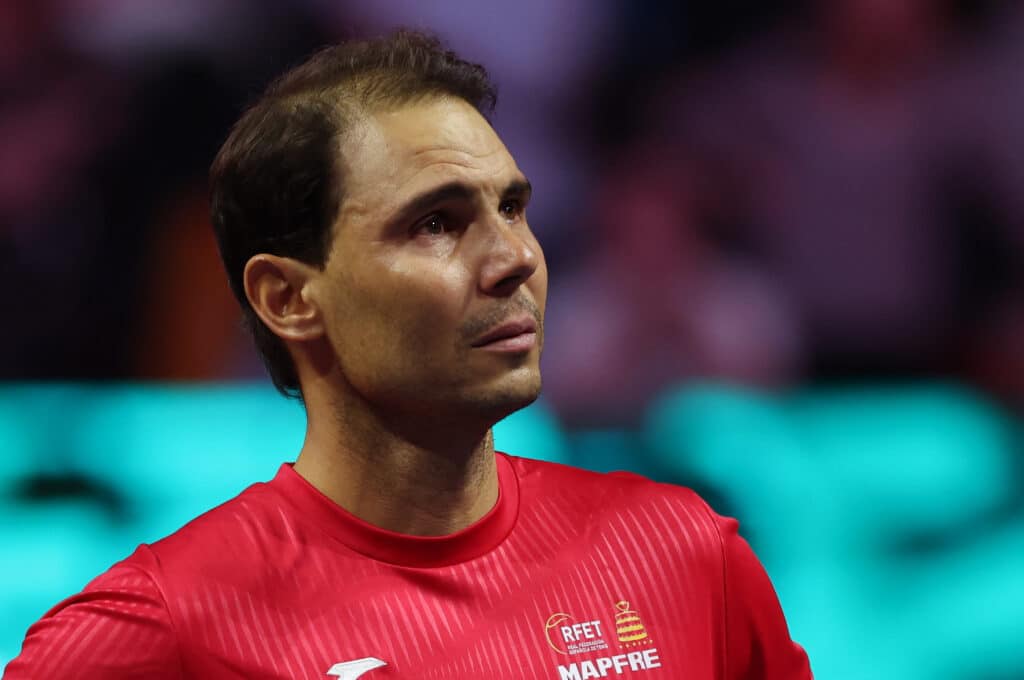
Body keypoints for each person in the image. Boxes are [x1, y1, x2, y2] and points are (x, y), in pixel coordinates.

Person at [4, 31, 812, 679]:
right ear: (288, 298)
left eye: (512, 206)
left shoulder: (683, 554)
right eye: (436, 223)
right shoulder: (160, 626)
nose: (515, 259)